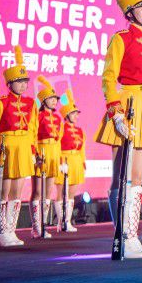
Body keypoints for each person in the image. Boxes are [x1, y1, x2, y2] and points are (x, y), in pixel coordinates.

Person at [95, 0, 142, 258]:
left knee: (140, 176)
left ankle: (131, 236)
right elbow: (109, 78)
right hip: (129, 104)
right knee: (125, 176)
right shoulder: (121, 39)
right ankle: (123, 236)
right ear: (130, 12)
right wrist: (116, 112)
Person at [0, 45, 38, 247]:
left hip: (24, 146)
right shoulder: (1, 102)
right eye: (19, 81)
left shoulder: (31, 103)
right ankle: (0, 231)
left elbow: (33, 128)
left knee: (17, 191)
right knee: (4, 190)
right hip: (7, 147)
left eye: (25, 81)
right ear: (9, 84)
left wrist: (33, 150)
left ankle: (10, 230)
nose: (23, 85)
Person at [33, 75, 63, 239]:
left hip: (53, 153)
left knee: (48, 192)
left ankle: (43, 224)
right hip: (41, 151)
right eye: (51, 98)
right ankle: (36, 227)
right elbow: (33, 135)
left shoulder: (58, 118)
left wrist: (59, 158)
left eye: (55, 99)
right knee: (37, 191)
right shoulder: (37, 116)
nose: (54, 101)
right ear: (44, 100)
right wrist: (35, 153)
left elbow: (59, 139)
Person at [56, 89, 85, 232]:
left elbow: (82, 149)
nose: (76, 116)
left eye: (76, 113)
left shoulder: (80, 130)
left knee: (72, 193)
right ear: (66, 115)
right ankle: (61, 222)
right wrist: (60, 162)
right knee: (61, 192)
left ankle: (67, 221)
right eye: (73, 113)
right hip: (64, 160)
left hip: (76, 161)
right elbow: (57, 145)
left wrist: (82, 163)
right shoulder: (61, 128)